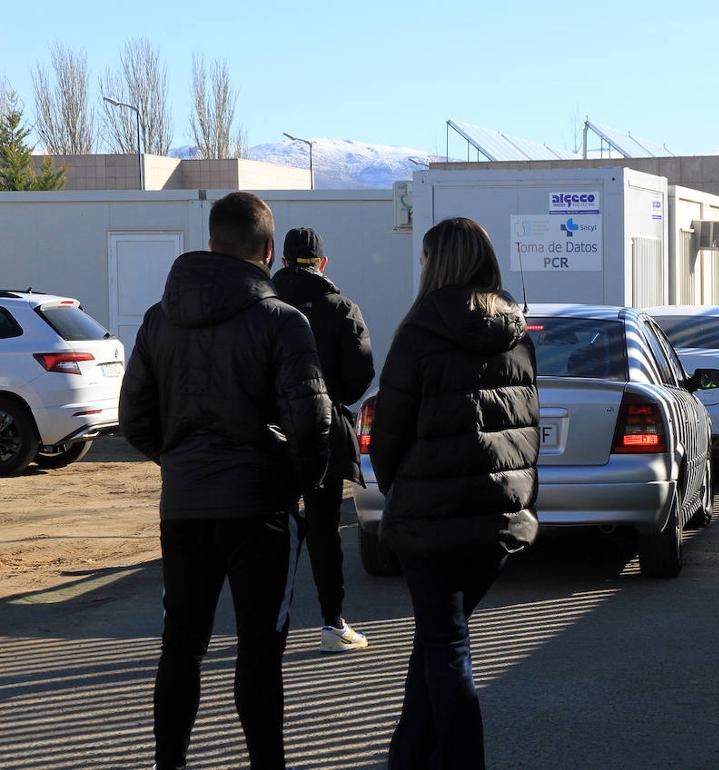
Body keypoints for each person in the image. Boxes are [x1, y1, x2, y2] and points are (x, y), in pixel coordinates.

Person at [120, 191, 331, 770]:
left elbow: (134, 414)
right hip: (260, 506)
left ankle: (170, 764)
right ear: (268, 251)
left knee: (181, 646)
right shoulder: (284, 322)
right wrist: (298, 481)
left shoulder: (160, 318)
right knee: (260, 652)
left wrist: (179, 460)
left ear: (212, 243)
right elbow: (311, 423)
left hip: (185, 505)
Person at [370, 217, 539, 770]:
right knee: (438, 643)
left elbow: (387, 436)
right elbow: (528, 428)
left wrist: (403, 490)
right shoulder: (517, 334)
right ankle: (407, 757)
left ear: (436, 263)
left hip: (430, 520)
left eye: (424, 259)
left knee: (444, 648)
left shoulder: (418, 332)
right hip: (496, 520)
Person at [273, 227, 375, 653]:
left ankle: (267, 621)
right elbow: (361, 374)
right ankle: (333, 623)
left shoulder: (263, 305)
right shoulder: (341, 308)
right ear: (323, 263)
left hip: (270, 431)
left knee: (272, 526)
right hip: (323, 427)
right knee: (323, 529)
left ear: (281, 260)